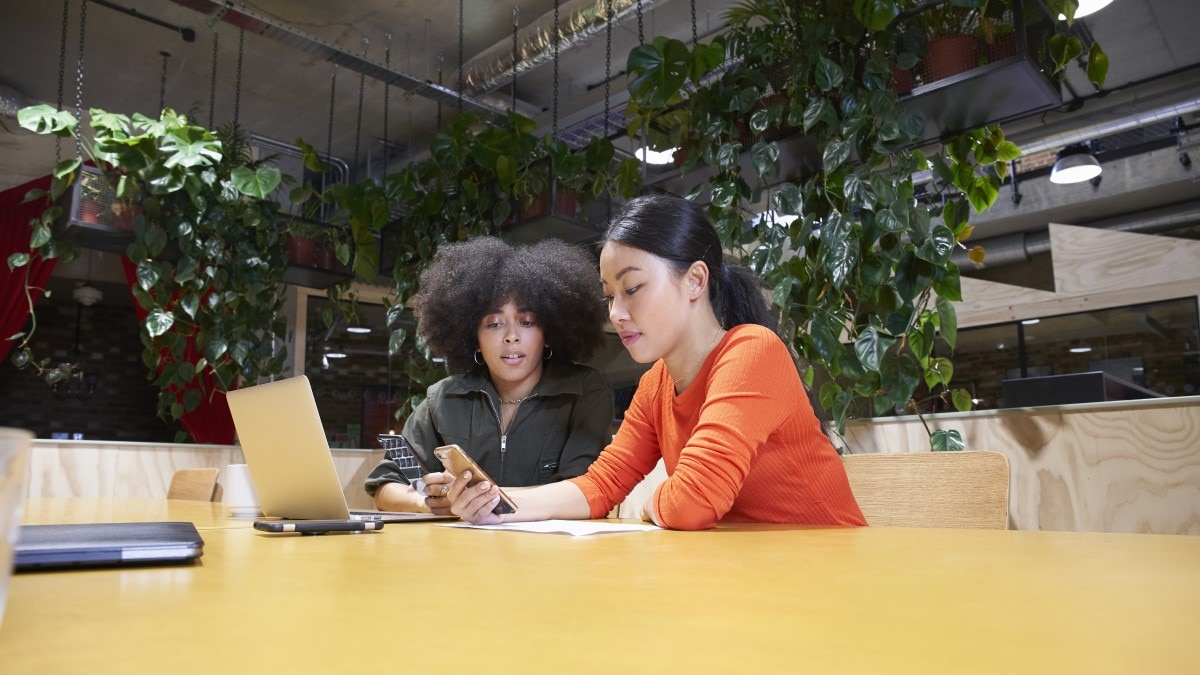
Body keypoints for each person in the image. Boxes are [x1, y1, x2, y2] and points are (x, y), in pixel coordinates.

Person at [447, 195, 866, 530]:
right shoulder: (656, 384)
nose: (616, 313)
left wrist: (650, 504)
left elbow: (693, 502)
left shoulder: (752, 352)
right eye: (610, 295)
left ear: (695, 281)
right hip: (748, 574)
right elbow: (601, 484)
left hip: (826, 574)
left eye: (633, 288)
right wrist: (496, 503)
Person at [364, 236, 614, 514]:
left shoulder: (582, 392)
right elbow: (385, 486)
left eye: (527, 322)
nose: (511, 337)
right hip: (463, 555)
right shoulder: (443, 399)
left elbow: (585, 490)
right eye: (494, 324)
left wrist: (480, 501)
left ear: (549, 334)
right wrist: (432, 503)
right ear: (474, 338)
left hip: (550, 554)